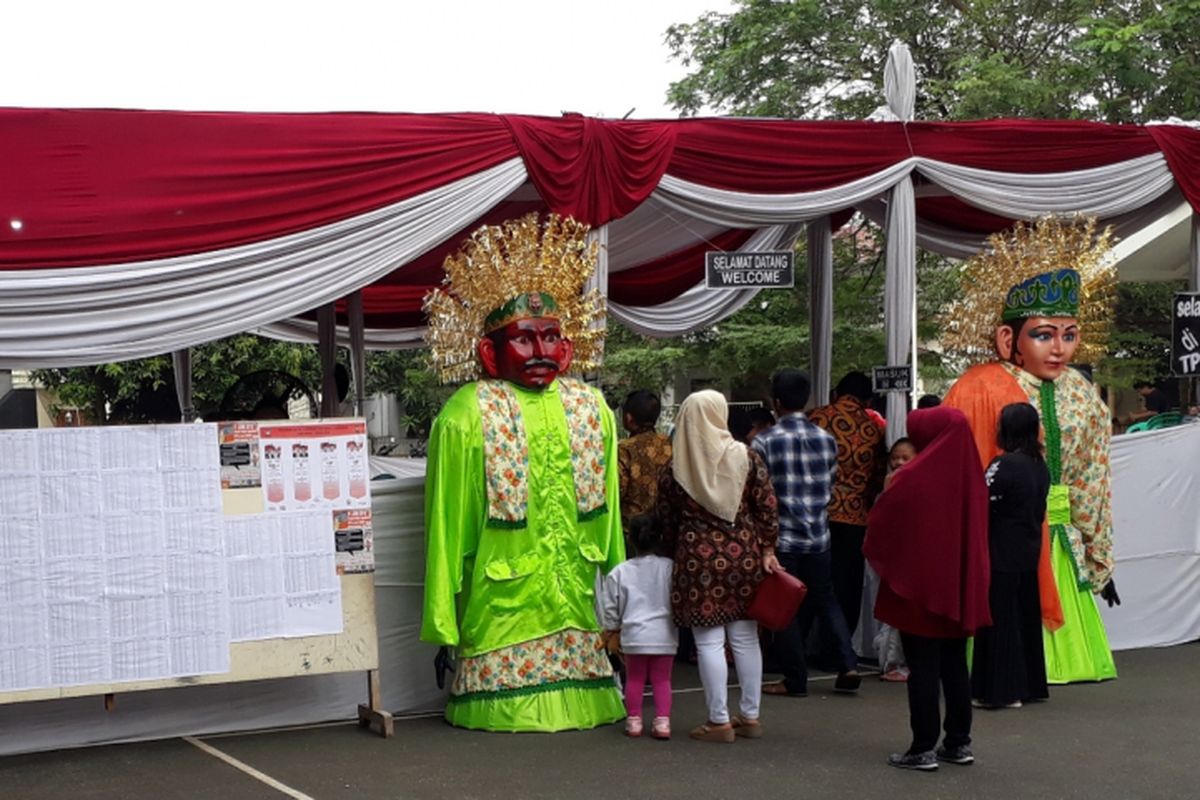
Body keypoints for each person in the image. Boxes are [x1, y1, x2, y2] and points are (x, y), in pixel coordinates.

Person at [420, 213, 625, 732]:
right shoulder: (468, 412)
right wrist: (444, 621)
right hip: (502, 592)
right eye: (524, 339)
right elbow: (446, 524)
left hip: (575, 586)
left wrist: (623, 602)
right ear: (490, 353)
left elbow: (612, 513)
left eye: (551, 337)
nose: (541, 352)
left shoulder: (590, 405)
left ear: (569, 346)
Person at [943, 216, 1119, 685]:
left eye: (1069, 334)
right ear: (1008, 339)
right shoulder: (980, 386)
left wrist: (1095, 546)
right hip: (1008, 530)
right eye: (1043, 334)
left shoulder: (1081, 392)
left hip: (1060, 534)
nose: (1059, 349)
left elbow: (1094, 478)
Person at [865, 407, 992, 771]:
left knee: (922, 667)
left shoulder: (912, 477)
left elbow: (883, 522)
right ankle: (958, 742)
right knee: (954, 666)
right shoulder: (971, 477)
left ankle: (922, 746)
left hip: (919, 588)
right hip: (957, 587)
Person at [656, 390, 780, 743]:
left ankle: (718, 720)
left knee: (708, 642)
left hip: (697, 560)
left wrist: (674, 549)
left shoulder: (676, 468)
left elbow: (666, 518)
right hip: (745, 556)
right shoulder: (748, 457)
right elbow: (767, 508)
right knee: (744, 638)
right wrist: (767, 546)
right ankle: (751, 716)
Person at [754, 369, 862, 697]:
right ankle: (848, 662)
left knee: (785, 606)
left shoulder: (764, 441)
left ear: (776, 402)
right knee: (826, 598)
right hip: (818, 534)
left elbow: (759, 493)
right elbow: (829, 485)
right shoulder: (826, 439)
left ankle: (795, 679)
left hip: (782, 539)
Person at [972, 402, 1051, 709]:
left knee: (999, 619)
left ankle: (1000, 690)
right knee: (1024, 618)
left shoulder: (1003, 465)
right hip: (1027, 551)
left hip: (999, 552)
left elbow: (982, 505)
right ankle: (1029, 685)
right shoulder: (1039, 466)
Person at [808, 371, 887, 642]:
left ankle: (806, 645)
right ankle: (838, 649)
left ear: (836, 393)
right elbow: (878, 476)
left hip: (817, 513)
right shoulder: (874, 428)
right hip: (855, 517)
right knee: (847, 585)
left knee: (812, 580)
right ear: (867, 399)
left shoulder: (817, 418)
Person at [599, 514, 678, 740]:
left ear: (630, 539)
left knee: (634, 680)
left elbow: (610, 605)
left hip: (633, 636)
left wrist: (612, 629)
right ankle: (662, 722)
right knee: (662, 680)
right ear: (660, 538)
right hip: (664, 636)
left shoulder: (620, 572)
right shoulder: (669, 568)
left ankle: (634, 720)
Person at [873, 437, 917, 682]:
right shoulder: (889, 483)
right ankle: (893, 661)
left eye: (905, 458)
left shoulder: (916, 484)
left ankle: (901, 662)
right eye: (895, 458)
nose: (899, 462)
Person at [618, 390, 672, 526]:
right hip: (663, 524)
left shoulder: (625, 448)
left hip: (633, 529)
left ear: (628, 418)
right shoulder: (668, 443)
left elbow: (618, 489)